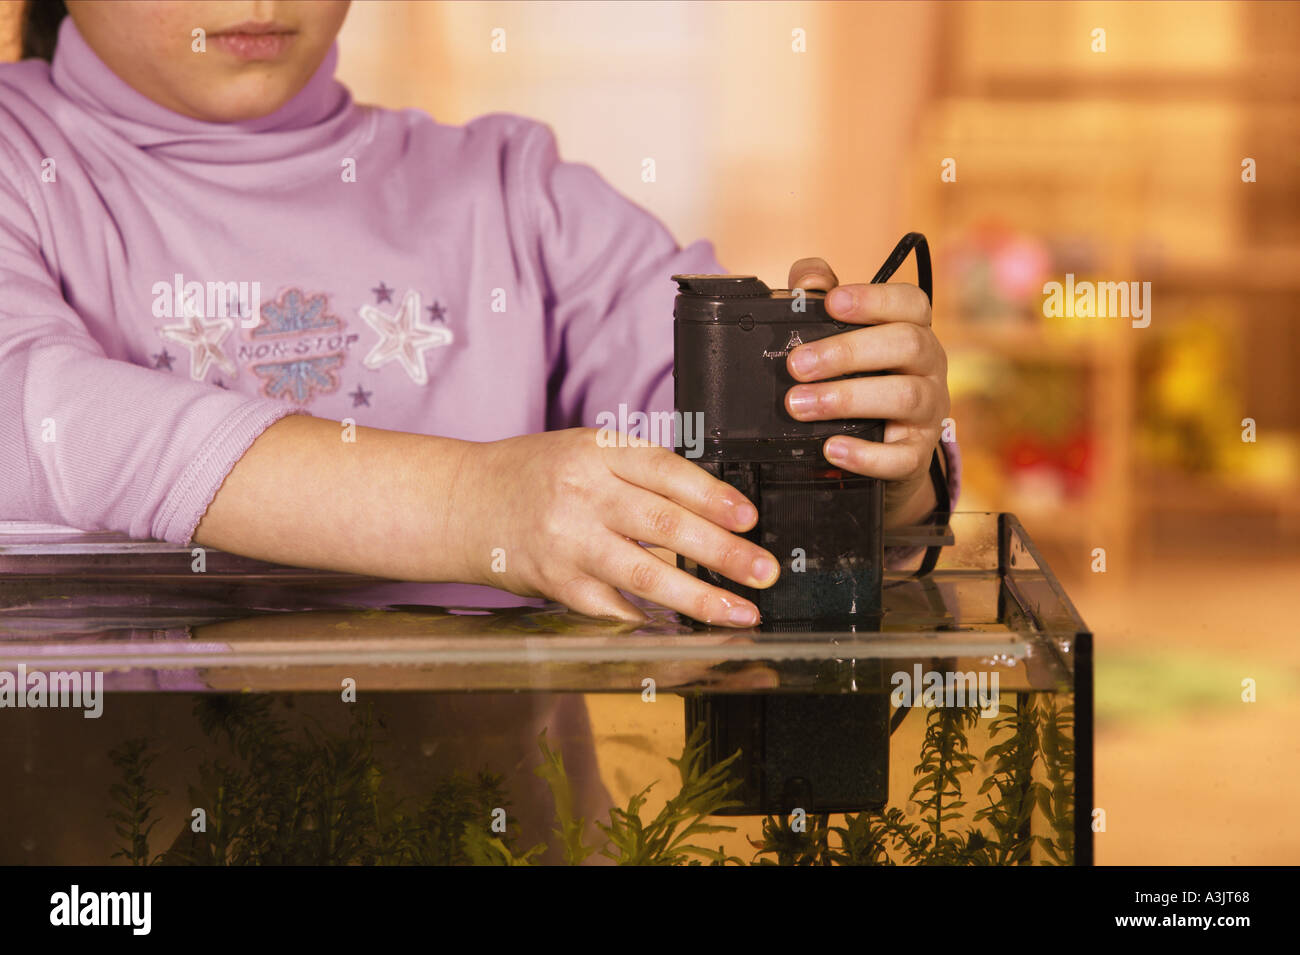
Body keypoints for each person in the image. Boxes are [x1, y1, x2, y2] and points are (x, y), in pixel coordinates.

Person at [1, 0, 957, 628]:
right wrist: (475, 504)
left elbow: (717, 449)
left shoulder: (510, 191)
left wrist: (872, 456)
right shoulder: (21, 159)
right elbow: (34, 417)